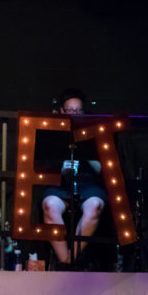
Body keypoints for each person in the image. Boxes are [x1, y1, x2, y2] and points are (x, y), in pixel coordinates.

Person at [41, 88, 107, 267]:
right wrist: (61, 169)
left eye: (79, 111)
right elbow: (43, 165)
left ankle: (73, 257)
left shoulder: (94, 130)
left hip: (88, 183)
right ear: (62, 111)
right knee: (50, 206)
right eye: (71, 111)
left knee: (94, 206)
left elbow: (103, 168)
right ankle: (65, 260)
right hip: (60, 183)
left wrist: (86, 149)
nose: (75, 115)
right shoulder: (52, 132)